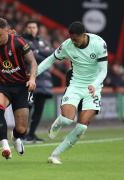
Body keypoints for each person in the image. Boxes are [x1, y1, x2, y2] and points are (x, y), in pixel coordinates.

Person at [37, 21, 108, 164]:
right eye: (71, 39)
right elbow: (50, 59)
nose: (73, 42)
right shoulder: (67, 45)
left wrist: (94, 85)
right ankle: (58, 123)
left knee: (81, 127)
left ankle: (55, 155)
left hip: (93, 88)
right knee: (67, 120)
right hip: (75, 85)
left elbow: (103, 71)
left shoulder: (99, 44)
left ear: (84, 35)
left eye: (76, 39)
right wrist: (34, 75)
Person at [0, 18, 37, 159]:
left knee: (21, 129)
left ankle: (15, 137)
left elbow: (32, 62)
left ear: (8, 31)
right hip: (3, 85)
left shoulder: (19, 42)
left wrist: (32, 79)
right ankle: (5, 146)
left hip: (21, 87)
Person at [22, 20, 53, 143]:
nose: (32, 29)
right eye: (29, 27)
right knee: (26, 108)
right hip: (29, 79)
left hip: (44, 82)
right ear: (26, 28)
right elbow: (29, 57)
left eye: (34, 27)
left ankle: (31, 134)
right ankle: (22, 134)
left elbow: (52, 54)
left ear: (37, 28)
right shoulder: (22, 41)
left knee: (39, 109)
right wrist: (41, 53)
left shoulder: (43, 41)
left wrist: (36, 52)